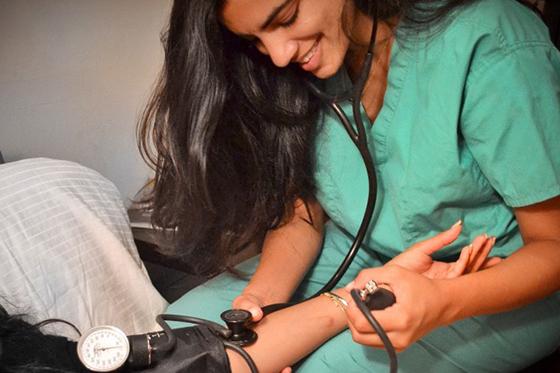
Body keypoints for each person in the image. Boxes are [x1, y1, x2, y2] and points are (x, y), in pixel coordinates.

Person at [136, 0, 560, 371]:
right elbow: (305, 210)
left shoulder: (488, 42)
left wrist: (441, 302)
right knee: (184, 337)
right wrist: (264, 300)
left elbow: (553, 245)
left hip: (497, 275)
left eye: (285, 17)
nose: (279, 56)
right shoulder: (298, 69)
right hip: (358, 249)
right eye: (256, 41)